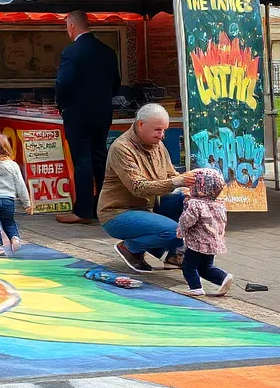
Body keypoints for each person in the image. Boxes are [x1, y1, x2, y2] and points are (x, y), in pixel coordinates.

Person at [99, 103, 194, 273]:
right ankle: (129, 248)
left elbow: (171, 175)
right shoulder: (121, 148)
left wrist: (188, 187)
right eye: (158, 130)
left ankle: (174, 254)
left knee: (189, 203)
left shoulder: (158, 145)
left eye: (164, 130)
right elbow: (138, 187)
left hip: (149, 207)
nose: (162, 135)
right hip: (118, 213)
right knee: (173, 230)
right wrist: (177, 182)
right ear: (140, 124)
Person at [55, 10, 121, 224]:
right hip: (102, 112)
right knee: (100, 158)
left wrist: (63, 106)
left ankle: (83, 211)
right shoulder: (108, 51)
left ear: (71, 26)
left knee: (82, 160)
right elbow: (116, 83)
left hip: (77, 114)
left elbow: (63, 84)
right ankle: (104, 207)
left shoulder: (72, 52)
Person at [176, 168, 233, 296]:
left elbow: (188, 220)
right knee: (205, 267)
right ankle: (223, 277)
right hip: (212, 242)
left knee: (188, 266)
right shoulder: (219, 204)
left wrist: (181, 229)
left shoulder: (195, 204)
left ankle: (195, 287)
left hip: (197, 242)